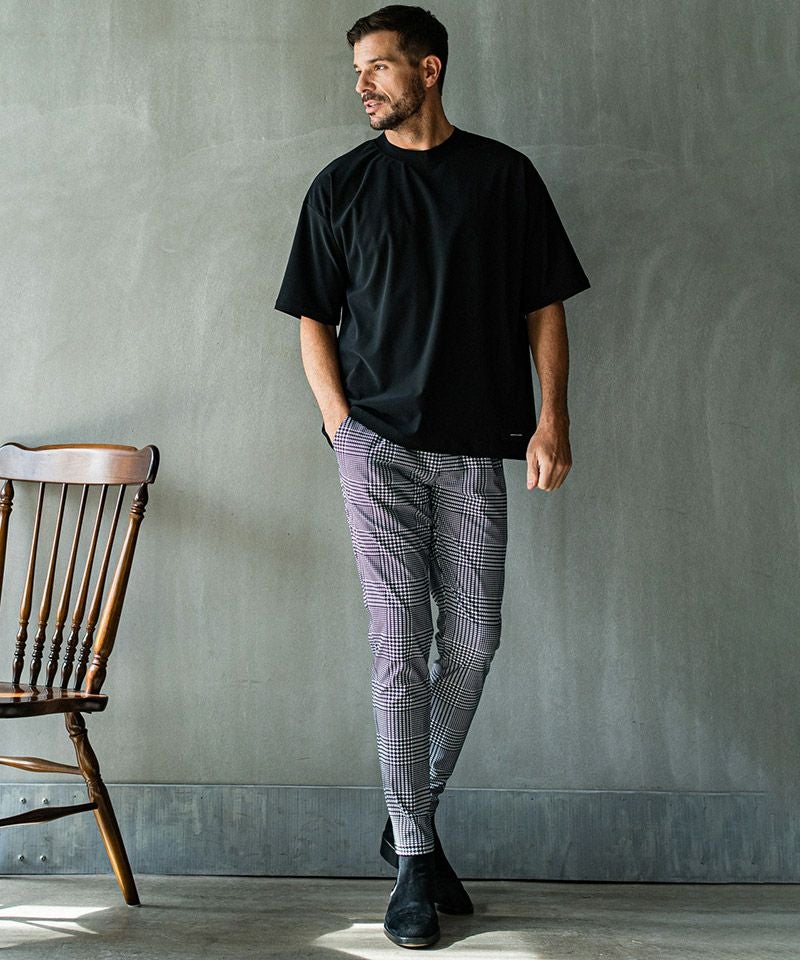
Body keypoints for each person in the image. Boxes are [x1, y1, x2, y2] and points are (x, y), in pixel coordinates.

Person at [275, 4, 590, 948]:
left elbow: (544, 305)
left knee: (477, 640)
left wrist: (552, 416)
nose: (362, 84)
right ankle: (414, 855)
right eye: (357, 71)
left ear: (430, 68)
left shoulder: (503, 177)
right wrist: (340, 424)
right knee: (400, 638)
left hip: (476, 446)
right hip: (374, 445)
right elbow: (312, 317)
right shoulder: (341, 186)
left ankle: (407, 811)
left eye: (378, 67)